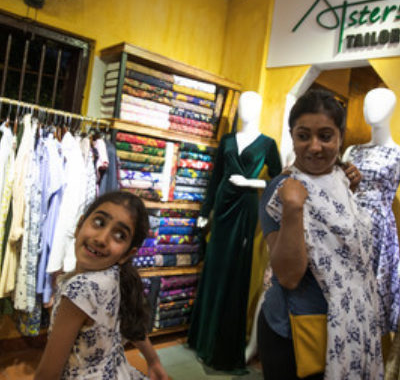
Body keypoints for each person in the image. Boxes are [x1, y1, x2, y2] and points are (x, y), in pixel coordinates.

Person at [257, 89, 383, 379]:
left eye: (325, 136)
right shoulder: (281, 190)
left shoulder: (342, 179)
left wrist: (349, 185)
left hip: (352, 324)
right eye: (304, 136)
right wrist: (292, 208)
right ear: (292, 135)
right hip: (297, 332)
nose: (314, 147)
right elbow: (288, 277)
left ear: (340, 136)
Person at [188, 91, 282, 372]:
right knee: (215, 271)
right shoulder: (227, 140)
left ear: (260, 108)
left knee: (234, 272)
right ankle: (203, 339)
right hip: (223, 207)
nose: (245, 110)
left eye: (251, 105)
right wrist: (205, 212)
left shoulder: (268, 144)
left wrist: (251, 183)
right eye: (242, 105)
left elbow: (278, 180)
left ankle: (223, 346)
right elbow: (215, 178)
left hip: (244, 209)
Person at [34, 191, 168, 380]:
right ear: (80, 225)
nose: (101, 239)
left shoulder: (79, 291)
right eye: (99, 223)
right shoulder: (115, 274)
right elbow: (130, 321)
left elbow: (47, 374)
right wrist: (153, 360)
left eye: (119, 235)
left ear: (127, 254)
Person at [343, 87, 400, 336]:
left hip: (379, 231)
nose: (369, 109)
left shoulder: (397, 153)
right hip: (348, 226)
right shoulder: (352, 151)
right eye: (366, 104)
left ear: (392, 110)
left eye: (377, 104)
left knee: (371, 300)